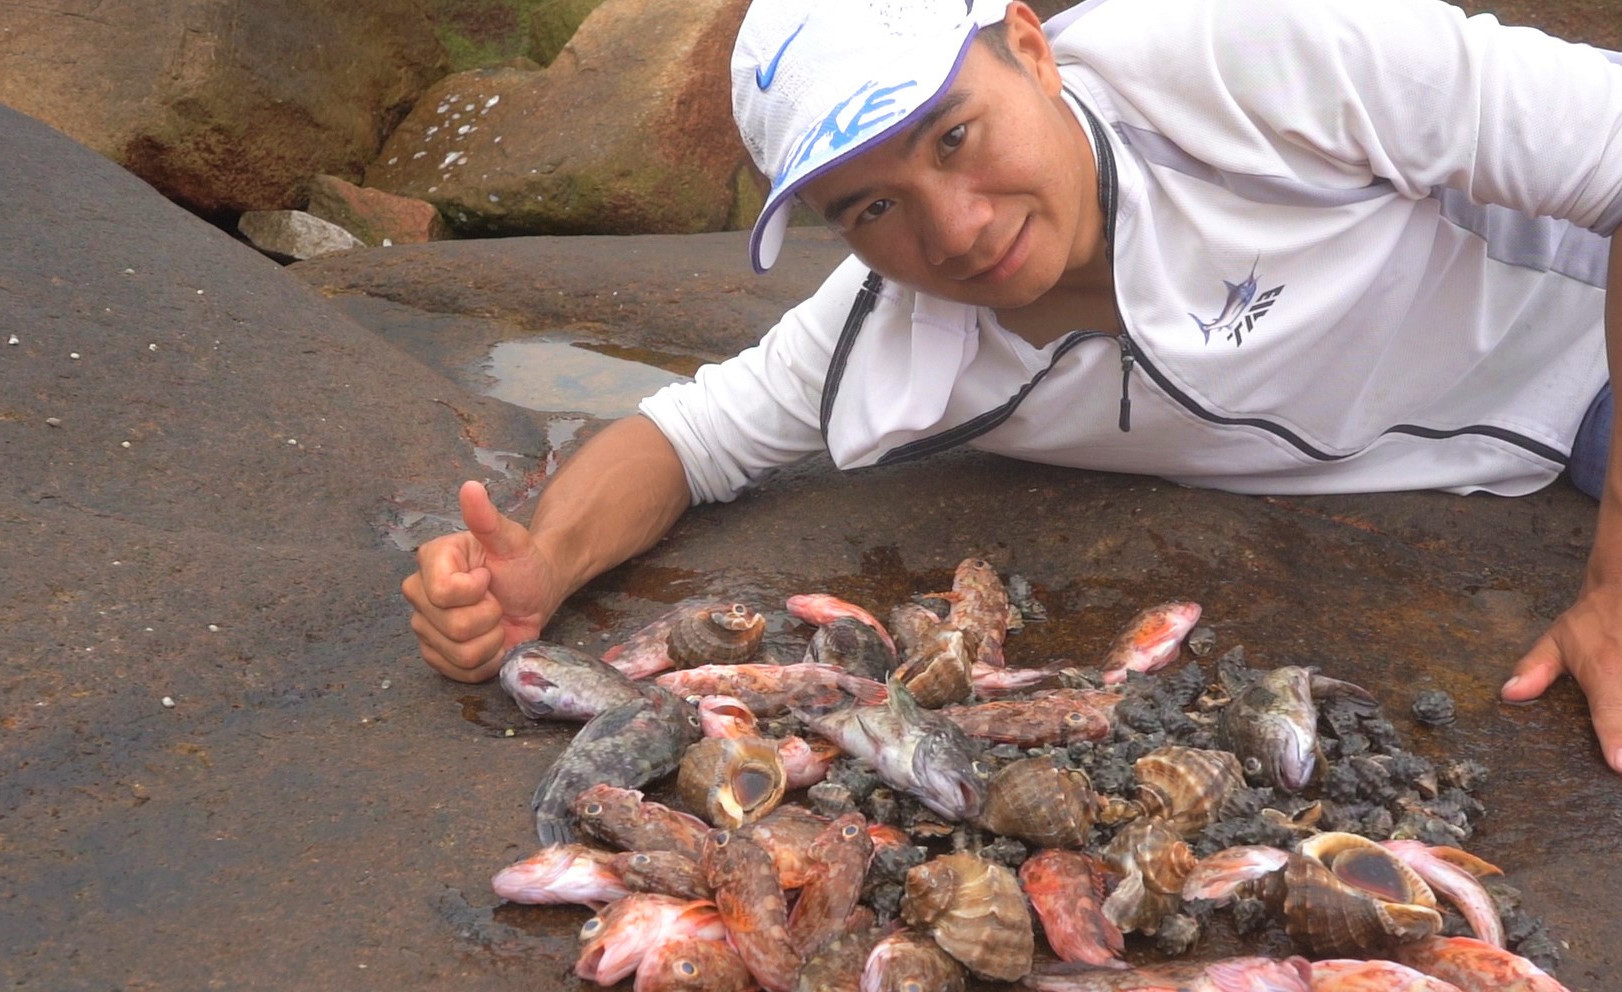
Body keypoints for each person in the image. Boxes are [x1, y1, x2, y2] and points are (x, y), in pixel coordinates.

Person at [402, 0, 1622, 771]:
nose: (956, 228)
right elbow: (683, 436)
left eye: (951, 135)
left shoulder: (1245, 52)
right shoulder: (895, 335)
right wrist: (541, 567)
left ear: (1030, 47)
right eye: (870, 205)